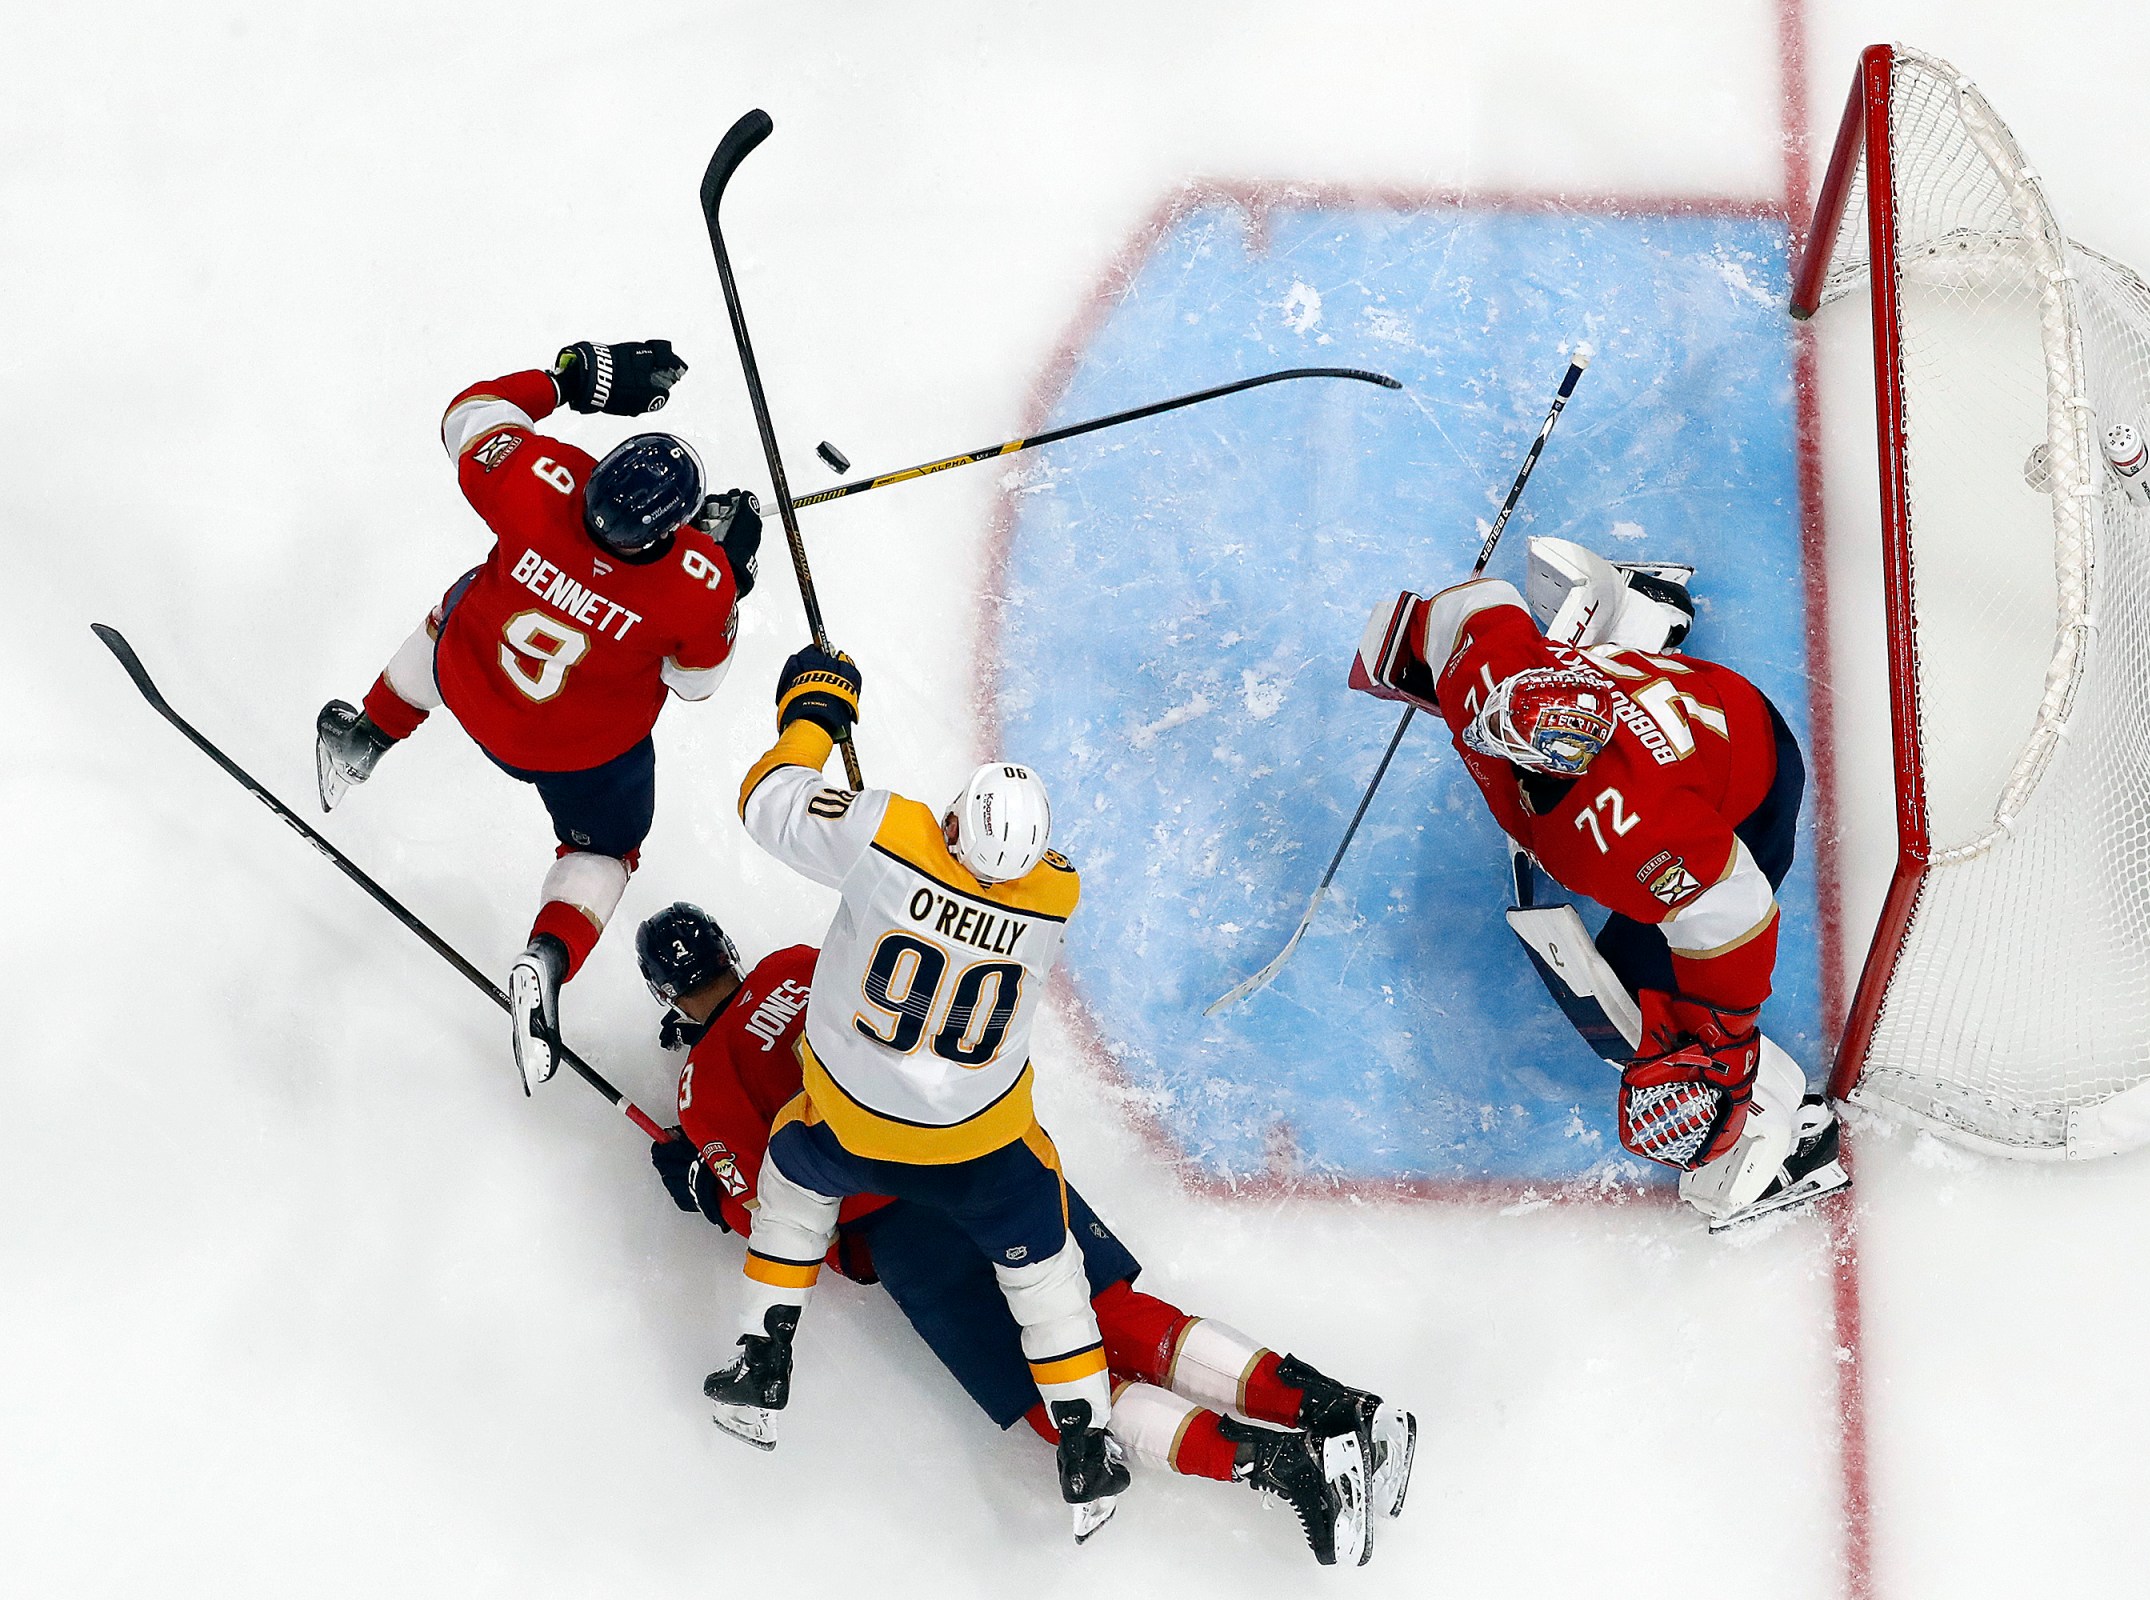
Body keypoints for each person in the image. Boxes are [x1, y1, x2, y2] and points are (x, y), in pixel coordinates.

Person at [633, 903, 1414, 1562]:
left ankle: (1281, 1467)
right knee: (1116, 1315)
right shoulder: (800, 961)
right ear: (728, 948)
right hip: (983, 1149)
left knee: (1060, 1399)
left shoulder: (704, 1085)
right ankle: (1341, 1409)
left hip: (905, 1231)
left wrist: (700, 1182)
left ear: (666, 992)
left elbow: (772, 1212)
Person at [704, 642, 1134, 1531]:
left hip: (853, 1129)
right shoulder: (1057, 896)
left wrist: (815, 711)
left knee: (791, 1190)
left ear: (953, 818)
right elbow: (981, 882)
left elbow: (767, 801)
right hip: (980, 1143)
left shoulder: (891, 835)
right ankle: (1087, 1442)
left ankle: (762, 1356)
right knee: (1049, 1277)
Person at [1350, 536, 1847, 1229]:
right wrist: (1423, 648)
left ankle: (1792, 1134)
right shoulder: (1497, 675)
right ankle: (1635, 616)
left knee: (1641, 1001)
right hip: (1691, 712)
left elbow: (1735, 910)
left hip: (1750, 785)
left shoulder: (1621, 833)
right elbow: (1472, 609)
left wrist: (1719, 1037)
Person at [311, 339, 765, 1091]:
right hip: (580, 752)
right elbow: (695, 681)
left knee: (461, 605)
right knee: (605, 852)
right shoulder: (697, 581)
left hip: (470, 679)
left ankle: (368, 734)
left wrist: (572, 379)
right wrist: (731, 574)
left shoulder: (538, 482)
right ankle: (547, 958)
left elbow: (468, 413)